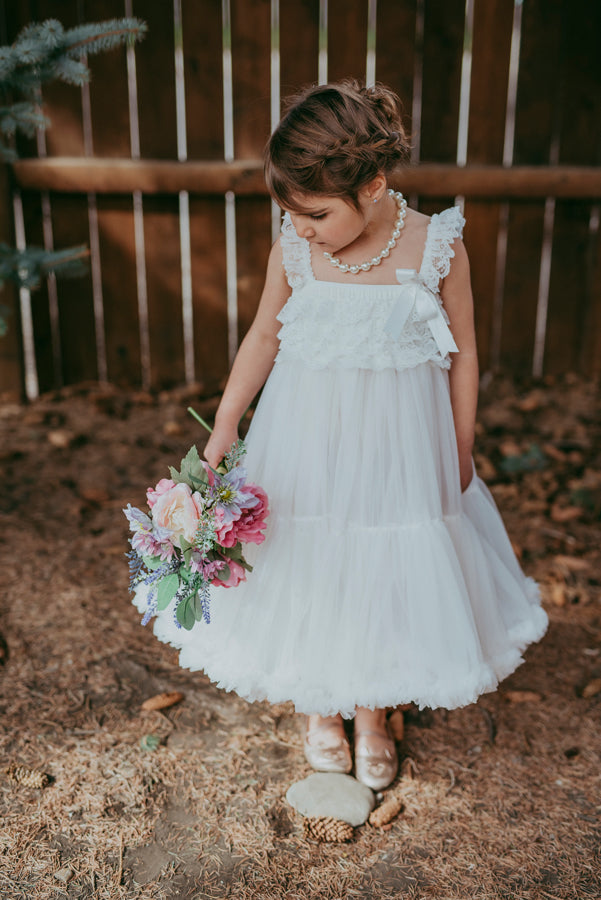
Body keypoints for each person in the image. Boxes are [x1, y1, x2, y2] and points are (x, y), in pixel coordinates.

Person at [137, 81, 548, 791]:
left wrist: (457, 443)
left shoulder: (435, 246)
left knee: (385, 567)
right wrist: (229, 417)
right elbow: (264, 334)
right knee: (312, 558)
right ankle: (320, 704)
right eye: (289, 214)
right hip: (308, 437)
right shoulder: (295, 253)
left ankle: (372, 709)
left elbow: (465, 354)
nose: (301, 228)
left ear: (374, 184)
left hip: (398, 446)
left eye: (317, 214)